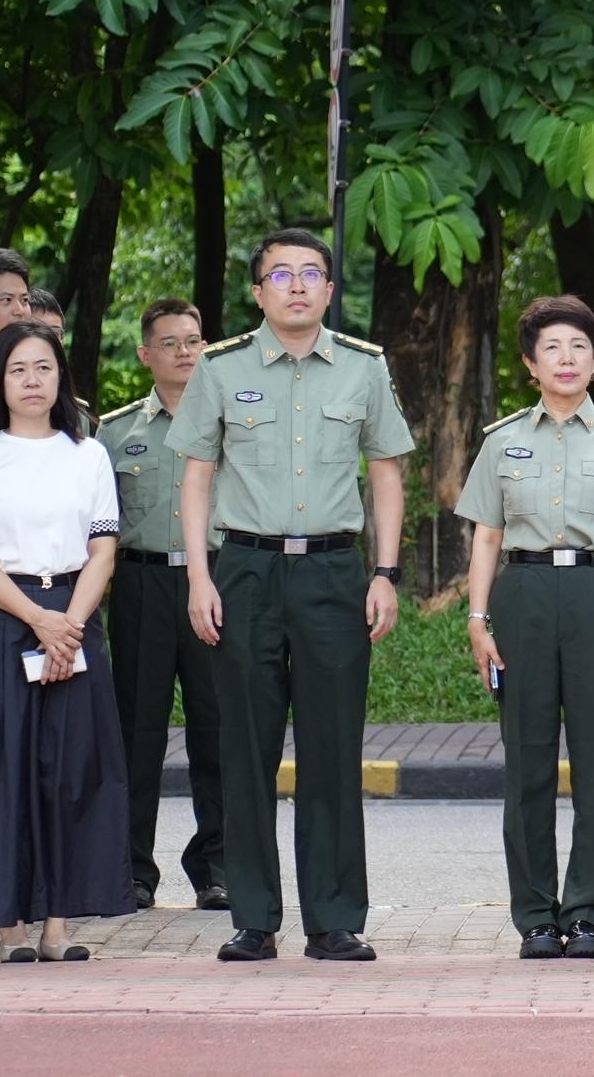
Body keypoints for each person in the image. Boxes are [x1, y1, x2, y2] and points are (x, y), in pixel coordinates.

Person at [166, 228, 415, 964]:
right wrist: (199, 578)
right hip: (243, 570)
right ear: (258, 291)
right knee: (245, 747)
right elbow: (197, 475)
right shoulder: (220, 369)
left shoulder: (363, 370)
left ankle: (336, 919)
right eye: (282, 274)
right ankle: (253, 918)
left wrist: (386, 573)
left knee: (333, 749)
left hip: (335, 574)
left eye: (312, 273)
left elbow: (387, 474)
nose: (298, 285)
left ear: (331, 290)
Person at [457, 295, 594, 962]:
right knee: (528, 763)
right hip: (523, 594)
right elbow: (487, 537)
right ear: (530, 364)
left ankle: (590, 916)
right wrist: (478, 619)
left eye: (579, 346)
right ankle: (537, 917)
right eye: (551, 348)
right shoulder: (501, 441)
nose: (566, 358)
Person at [0, 321, 134, 963]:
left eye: (44, 367)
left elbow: (103, 551)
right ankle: (10, 928)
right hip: (5, 617)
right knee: (4, 768)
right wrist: (39, 621)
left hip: (74, 612)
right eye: (18, 368)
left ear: (61, 377)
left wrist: (67, 625)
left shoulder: (88, 455)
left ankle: (57, 926)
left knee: (69, 772)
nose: (32, 379)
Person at [97, 299, 228, 913]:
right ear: (146, 354)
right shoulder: (115, 433)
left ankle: (218, 866)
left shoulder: (232, 424)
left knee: (217, 727)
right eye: (170, 342)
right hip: (141, 585)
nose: (184, 351)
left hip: (215, 584)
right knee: (135, 732)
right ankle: (130, 869)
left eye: (194, 340)